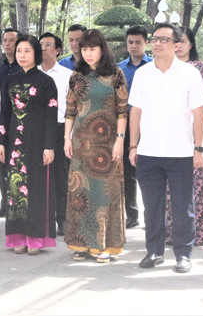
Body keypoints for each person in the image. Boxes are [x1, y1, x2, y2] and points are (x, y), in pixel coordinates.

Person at [128, 23, 203, 273]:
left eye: (164, 39)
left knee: (183, 206)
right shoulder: (143, 74)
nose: (157, 43)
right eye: (155, 39)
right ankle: (154, 251)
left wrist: (198, 149)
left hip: (181, 152)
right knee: (152, 205)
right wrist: (133, 145)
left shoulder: (189, 73)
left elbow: (199, 112)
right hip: (149, 152)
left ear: (177, 45)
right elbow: (136, 112)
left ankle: (183, 254)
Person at [62, 29, 128, 263]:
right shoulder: (76, 76)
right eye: (84, 49)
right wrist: (66, 138)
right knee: (81, 193)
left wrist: (120, 139)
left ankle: (104, 245)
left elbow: (122, 110)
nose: (88, 54)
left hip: (108, 144)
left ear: (102, 49)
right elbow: (70, 110)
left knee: (103, 194)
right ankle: (80, 243)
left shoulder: (116, 74)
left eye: (93, 49)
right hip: (82, 144)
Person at [0, 35, 58, 255]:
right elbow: (4, 113)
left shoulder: (46, 82)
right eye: (19, 51)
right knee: (15, 189)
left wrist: (49, 146)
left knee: (37, 189)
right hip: (15, 143)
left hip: (39, 142)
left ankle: (36, 237)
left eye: (27, 51)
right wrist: (0, 142)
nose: (22, 55)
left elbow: (52, 117)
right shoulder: (9, 80)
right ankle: (18, 237)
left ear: (36, 54)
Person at [164, 27, 203, 246]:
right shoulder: (162, 67)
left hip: (193, 134)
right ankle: (170, 233)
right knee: (167, 188)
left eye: (183, 41)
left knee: (194, 185)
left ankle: (197, 233)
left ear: (191, 44)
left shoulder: (199, 68)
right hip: (167, 134)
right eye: (175, 41)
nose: (179, 45)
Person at [38, 32, 73, 236]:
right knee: (40, 179)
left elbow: (72, 108)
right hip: (38, 131)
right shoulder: (32, 74)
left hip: (61, 130)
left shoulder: (67, 76)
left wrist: (70, 136)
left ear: (58, 50)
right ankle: (43, 222)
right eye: (40, 44)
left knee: (61, 178)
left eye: (48, 44)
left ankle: (63, 220)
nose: (43, 48)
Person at [117, 25, 152, 229]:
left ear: (146, 43)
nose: (134, 46)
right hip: (126, 123)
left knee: (148, 173)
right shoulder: (120, 69)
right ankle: (132, 213)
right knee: (128, 173)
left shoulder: (154, 67)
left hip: (149, 124)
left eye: (138, 42)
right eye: (130, 42)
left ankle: (152, 215)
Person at [0, 28, 23, 218]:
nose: (8, 44)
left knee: (19, 168)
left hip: (21, 125)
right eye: (5, 40)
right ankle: (5, 204)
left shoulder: (24, 68)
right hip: (2, 125)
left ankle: (18, 206)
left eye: (12, 40)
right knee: (2, 167)